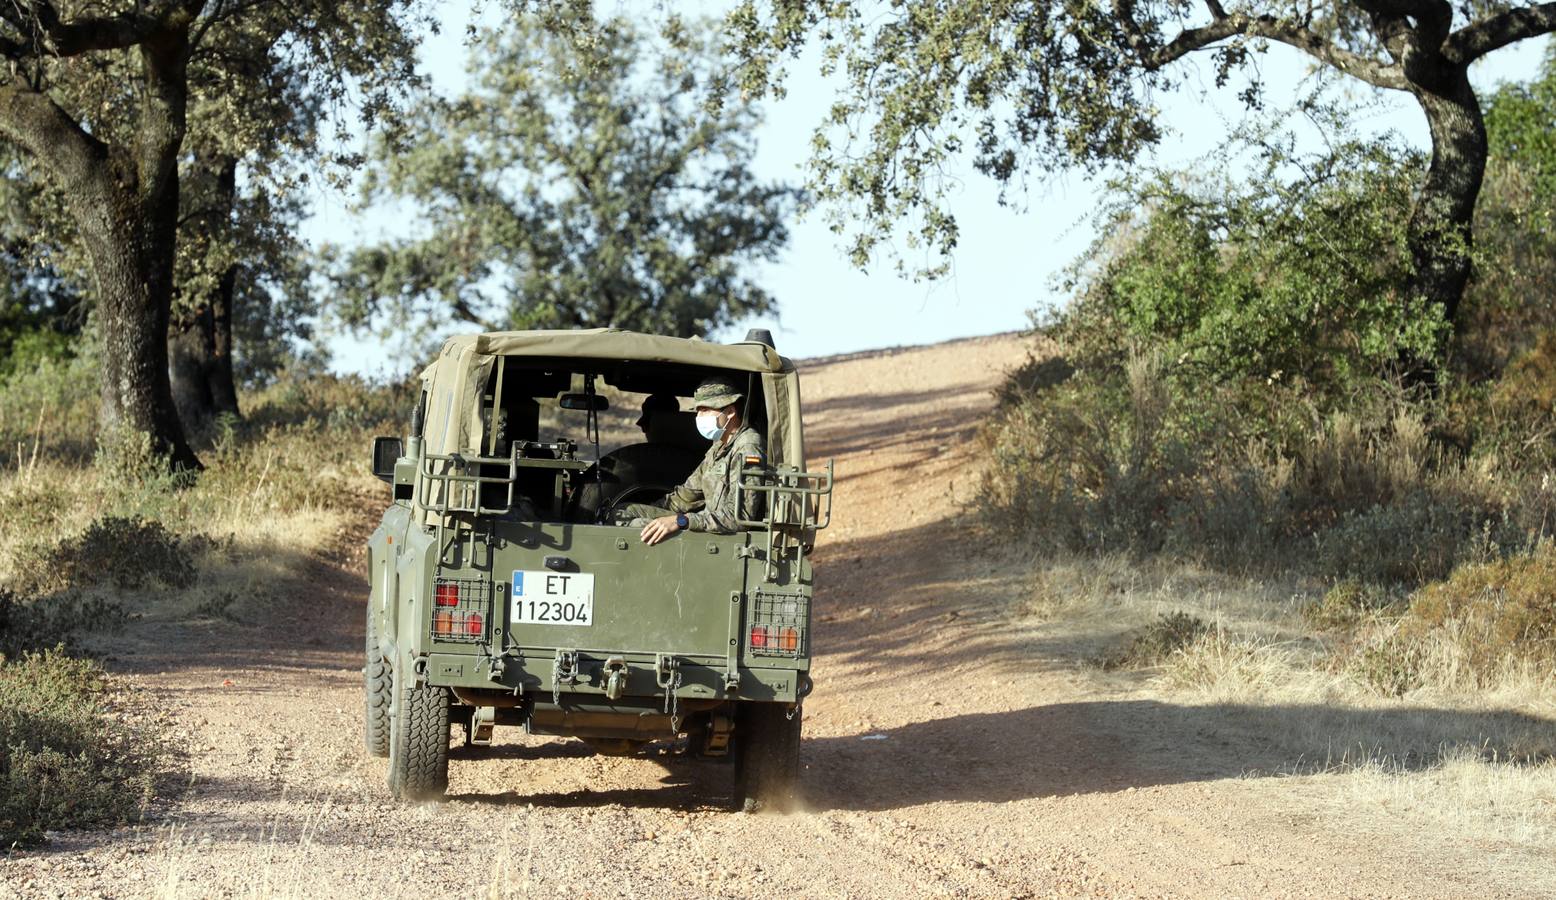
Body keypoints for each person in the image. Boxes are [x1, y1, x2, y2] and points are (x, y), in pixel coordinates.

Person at [619, 375, 765, 544]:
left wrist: (681, 521)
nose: (699, 417)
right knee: (622, 514)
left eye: (706, 410)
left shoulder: (748, 446)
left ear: (731, 411)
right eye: (698, 411)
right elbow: (686, 497)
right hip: (707, 525)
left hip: (723, 537)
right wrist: (652, 509)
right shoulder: (719, 447)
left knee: (637, 526)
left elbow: (738, 518)